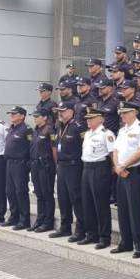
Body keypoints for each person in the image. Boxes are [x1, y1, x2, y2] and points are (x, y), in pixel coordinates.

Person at [111, 101, 140, 259]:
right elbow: (115, 150)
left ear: (134, 112)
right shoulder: (122, 130)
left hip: (135, 173)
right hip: (121, 172)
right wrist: (117, 166)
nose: (122, 115)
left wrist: (123, 165)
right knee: (122, 209)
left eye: (126, 112)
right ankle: (126, 242)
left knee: (135, 210)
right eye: (121, 113)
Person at [50, 100, 87, 242]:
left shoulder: (78, 126)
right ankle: (65, 227)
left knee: (76, 198)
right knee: (63, 198)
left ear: (71, 111)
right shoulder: (59, 126)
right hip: (62, 166)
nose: (60, 114)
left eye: (63, 111)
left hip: (74, 166)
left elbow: (84, 147)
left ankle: (80, 230)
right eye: (59, 111)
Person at [80, 108, 116, 249]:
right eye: (87, 118)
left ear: (100, 119)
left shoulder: (107, 134)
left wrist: (113, 168)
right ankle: (91, 234)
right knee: (87, 203)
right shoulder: (88, 133)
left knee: (101, 204)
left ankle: (104, 237)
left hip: (100, 168)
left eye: (91, 118)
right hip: (87, 168)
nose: (88, 121)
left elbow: (113, 153)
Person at [3, 106, 32, 231]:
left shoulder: (27, 130)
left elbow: (31, 147)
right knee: (10, 191)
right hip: (9, 163)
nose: (11, 115)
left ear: (22, 116)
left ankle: (24, 220)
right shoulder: (11, 128)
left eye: (14, 114)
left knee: (21, 191)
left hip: (20, 164)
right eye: (11, 114)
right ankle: (14, 217)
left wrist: (27, 165)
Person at [29, 108, 57, 233]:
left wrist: (55, 165)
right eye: (34, 116)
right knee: (39, 194)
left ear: (45, 117)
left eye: (37, 116)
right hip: (35, 165)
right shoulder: (35, 130)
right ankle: (40, 220)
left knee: (47, 194)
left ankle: (48, 222)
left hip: (46, 166)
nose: (35, 118)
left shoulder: (50, 130)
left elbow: (54, 149)